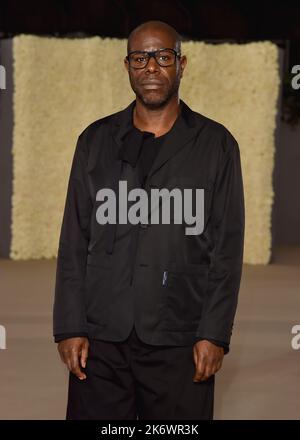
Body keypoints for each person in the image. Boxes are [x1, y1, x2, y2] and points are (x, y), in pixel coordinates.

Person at [53, 20, 245, 420]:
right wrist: (70, 325)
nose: (151, 68)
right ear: (127, 66)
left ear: (182, 63)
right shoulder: (95, 140)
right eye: (140, 58)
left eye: (163, 56)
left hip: (180, 336)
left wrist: (214, 334)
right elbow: (74, 240)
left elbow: (226, 251)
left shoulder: (217, 145)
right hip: (102, 338)